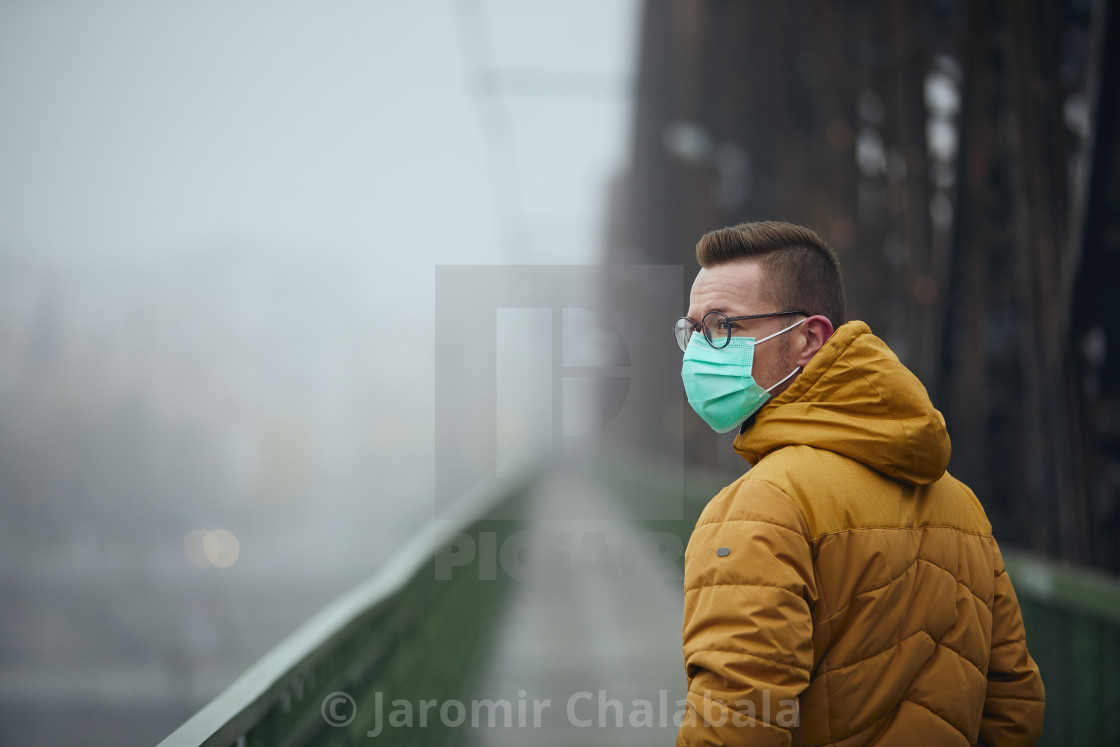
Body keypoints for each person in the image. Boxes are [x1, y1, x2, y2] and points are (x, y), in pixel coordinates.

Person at [673, 221, 1045, 746]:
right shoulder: (964, 510)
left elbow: (735, 726)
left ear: (808, 339)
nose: (698, 353)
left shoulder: (763, 506)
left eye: (724, 327)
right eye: (692, 331)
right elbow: (1015, 708)